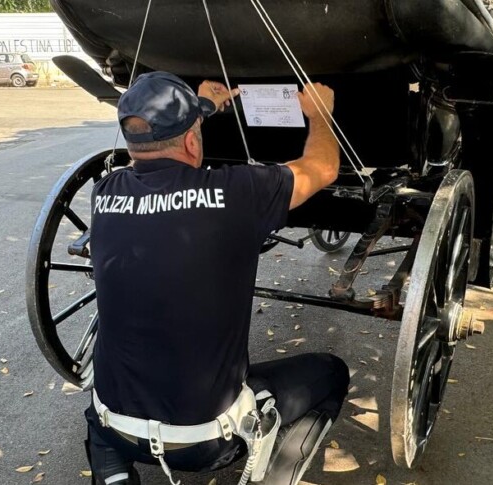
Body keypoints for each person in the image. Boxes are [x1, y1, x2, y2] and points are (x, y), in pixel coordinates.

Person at [86, 71, 350, 485]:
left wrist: (202, 107)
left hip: (111, 426)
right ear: (193, 141)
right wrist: (319, 115)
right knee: (332, 371)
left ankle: (112, 471)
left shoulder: (105, 192)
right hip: (206, 444)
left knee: (103, 417)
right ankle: (274, 472)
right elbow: (323, 167)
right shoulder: (237, 194)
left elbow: (165, 147)